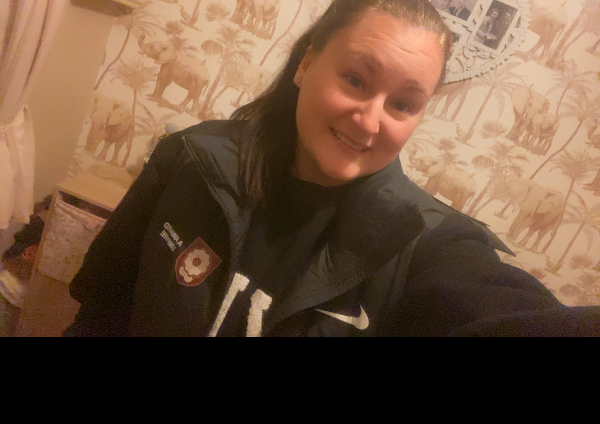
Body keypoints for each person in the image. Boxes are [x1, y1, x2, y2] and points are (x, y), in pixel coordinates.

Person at [65, 0, 600, 337]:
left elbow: (494, 305)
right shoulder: (192, 158)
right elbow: (99, 310)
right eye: (356, 80)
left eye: (403, 104)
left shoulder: (427, 244)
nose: (370, 120)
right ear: (305, 64)